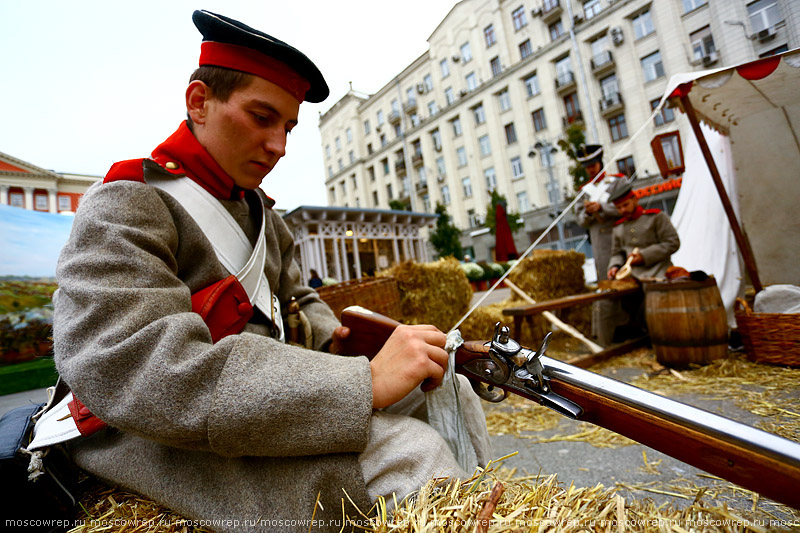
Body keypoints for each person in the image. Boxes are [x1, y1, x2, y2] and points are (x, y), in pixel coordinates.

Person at [52, 11, 490, 531]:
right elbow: (136, 367)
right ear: (198, 102)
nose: (280, 146)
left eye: (288, 126)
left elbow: (299, 302)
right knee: (408, 452)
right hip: (149, 433)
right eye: (262, 117)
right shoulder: (126, 205)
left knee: (449, 389)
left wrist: (339, 343)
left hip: (258, 407)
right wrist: (363, 382)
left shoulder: (265, 217)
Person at [606, 180, 681, 335]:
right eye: (619, 208)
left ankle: (654, 332)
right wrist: (614, 266)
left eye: (625, 205)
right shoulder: (618, 227)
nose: (622, 210)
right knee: (611, 295)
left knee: (653, 296)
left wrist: (644, 256)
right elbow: (617, 253)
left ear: (635, 199)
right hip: (631, 274)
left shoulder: (656, 217)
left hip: (658, 270)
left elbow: (672, 243)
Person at [574, 144, 626, 345]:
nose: (591, 170)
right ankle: (615, 327)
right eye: (587, 167)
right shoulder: (585, 192)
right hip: (599, 242)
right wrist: (588, 212)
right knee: (606, 282)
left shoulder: (615, 182)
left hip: (618, 235)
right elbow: (579, 219)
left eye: (593, 165)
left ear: (600, 163)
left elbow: (624, 206)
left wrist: (602, 207)